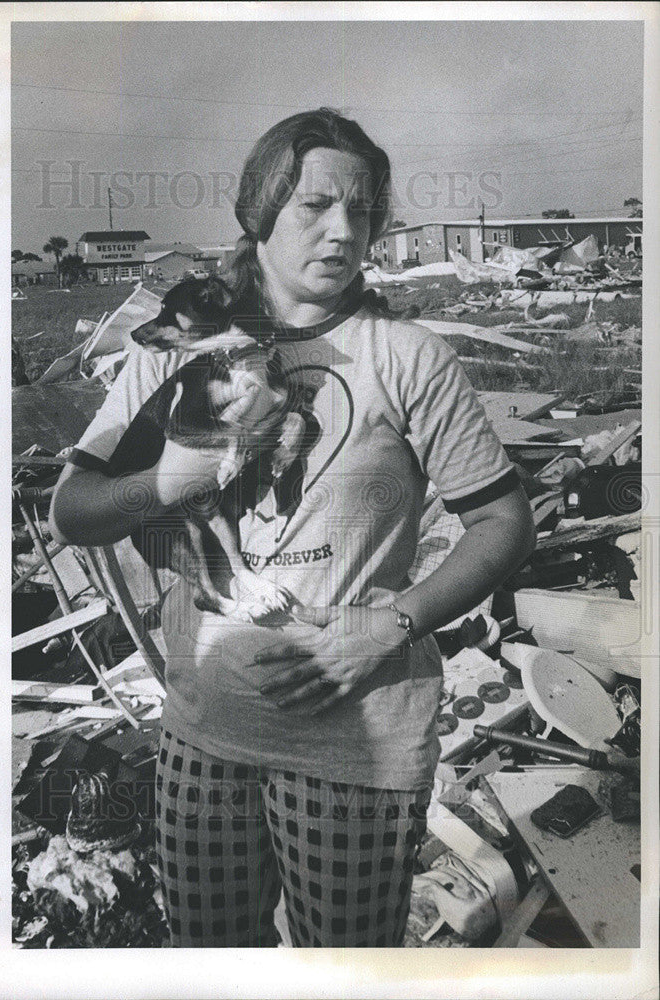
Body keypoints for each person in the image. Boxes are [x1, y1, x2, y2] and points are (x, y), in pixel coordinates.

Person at [50, 108, 536, 948]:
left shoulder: (404, 355)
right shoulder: (171, 349)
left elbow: (502, 522)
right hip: (203, 731)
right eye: (315, 207)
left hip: (357, 747)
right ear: (260, 210)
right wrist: (194, 471)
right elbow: (74, 513)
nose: (344, 232)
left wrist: (386, 628)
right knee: (215, 962)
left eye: (363, 211)